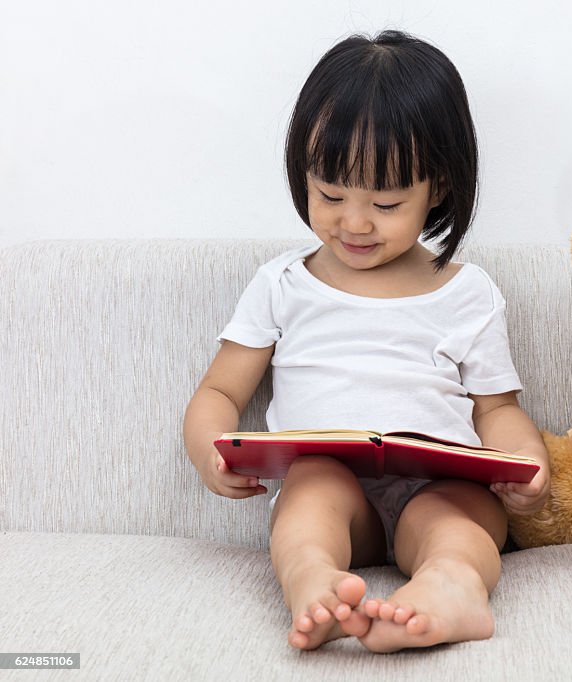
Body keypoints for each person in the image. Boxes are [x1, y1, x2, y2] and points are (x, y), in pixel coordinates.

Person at [182, 30, 550, 654]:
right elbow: (220, 388)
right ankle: (313, 582)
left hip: (441, 483)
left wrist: (527, 470)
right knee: (310, 497)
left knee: (455, 525)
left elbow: (498, 409)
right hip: (334, 483)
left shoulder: (468, 292)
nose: (353, 222)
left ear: (438, 187)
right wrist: (208, 453)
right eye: (329, 194)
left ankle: (451, 586)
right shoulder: (283, 285)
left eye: (385, 202)